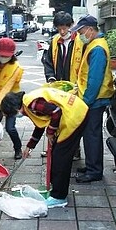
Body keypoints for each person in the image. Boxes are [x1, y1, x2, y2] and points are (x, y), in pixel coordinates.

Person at [1, 87, 89, 208]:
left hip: (76, 116)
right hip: (75, 112)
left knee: (60, 158)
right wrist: (29, 146)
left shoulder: (31, 103)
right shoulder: (29, 103)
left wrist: (50, 132)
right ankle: (56, 189)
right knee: (57, 155)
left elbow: (56, 112)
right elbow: (40, 124)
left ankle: (59, 197)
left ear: (15, 109)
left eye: (12, 114)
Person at [69, 15, 115, 183]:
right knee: (90, 135)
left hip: (94, 100)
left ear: (89, 29)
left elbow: (95, 80)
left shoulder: (97, 48)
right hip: (91, 99)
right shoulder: (94, 44)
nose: (80, 34)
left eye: (81, 31)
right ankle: (91, 166)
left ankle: (94, 171)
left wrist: (86, 102)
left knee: (92, 135)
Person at [41, 11, 84, 160]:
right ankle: (53, 148)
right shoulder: (54, 42)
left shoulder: (80, 42)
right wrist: (51, 77)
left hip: (75, 87)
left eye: (65, 28)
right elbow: (47, 62)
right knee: (55, 116)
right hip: (58, 87)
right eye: (59, 28)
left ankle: (74, 150)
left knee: (72, 119)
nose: (62, 31)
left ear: (71, 26)